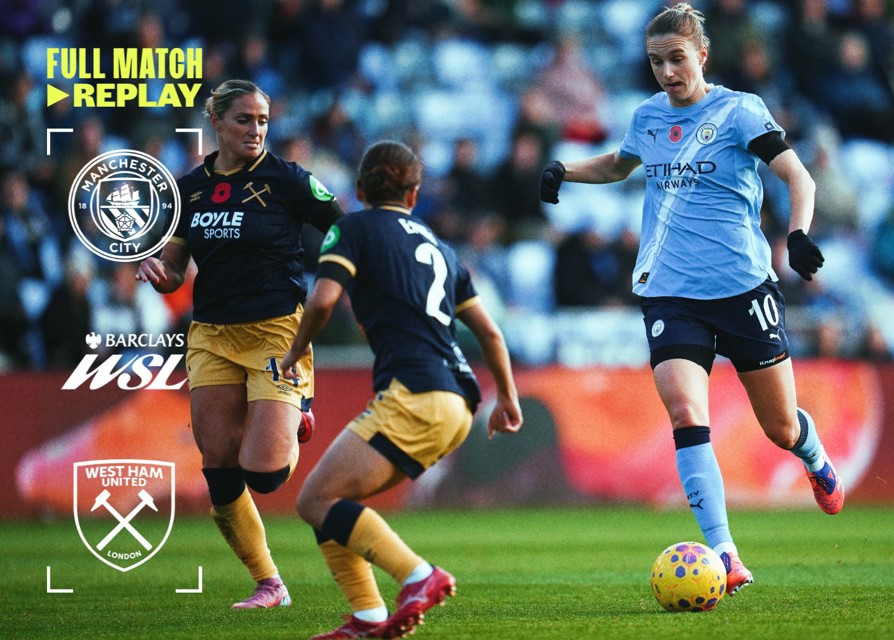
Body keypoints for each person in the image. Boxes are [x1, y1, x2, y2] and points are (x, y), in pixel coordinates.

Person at [538, 3, 844, 597]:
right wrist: (563, 170)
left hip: (743, 289)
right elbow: (620, 165)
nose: (667, 72)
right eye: (656, 62)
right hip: (670, 292)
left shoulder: (739, 110)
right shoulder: (647, 116)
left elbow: (798, 176)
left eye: (677, 59)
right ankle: (724, 553)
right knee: (685, 412)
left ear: (702, 55)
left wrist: (800, 234)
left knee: (780, 427)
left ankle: (813, 455)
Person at [279, 140, 523, 640]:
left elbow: (323, 301)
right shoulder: (441, 248)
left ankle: (418, 574)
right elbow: (491, 332)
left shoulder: (353, 228)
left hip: (415, 392)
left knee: (314, 500)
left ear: (361, 189)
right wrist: (509, 400)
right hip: (459, 400)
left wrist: (292, 354)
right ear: (413, 196)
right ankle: (368, 617)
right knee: (333, 500)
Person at [136, 79, 344, 607]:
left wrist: (336, 277)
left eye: (263, 121)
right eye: (245, 120)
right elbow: (177, 269)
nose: (256, 131)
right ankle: (269, 582)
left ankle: (296, 411)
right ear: (218, 123)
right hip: (210, 334)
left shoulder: (288, 180)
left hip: (277, 332)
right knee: (218, 465)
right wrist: (158, 271)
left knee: (266, 474)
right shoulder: (189, 189)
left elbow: (345, 226)